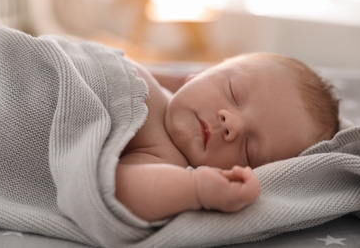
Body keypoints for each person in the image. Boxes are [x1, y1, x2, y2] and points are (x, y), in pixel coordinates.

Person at [116, 53, 339, 222]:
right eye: (233, 92)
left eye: (249, 148)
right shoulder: (166, 87)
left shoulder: (161, 156)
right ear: (199, 74)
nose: (232, 123)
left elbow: (117, 190)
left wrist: (196, 189)